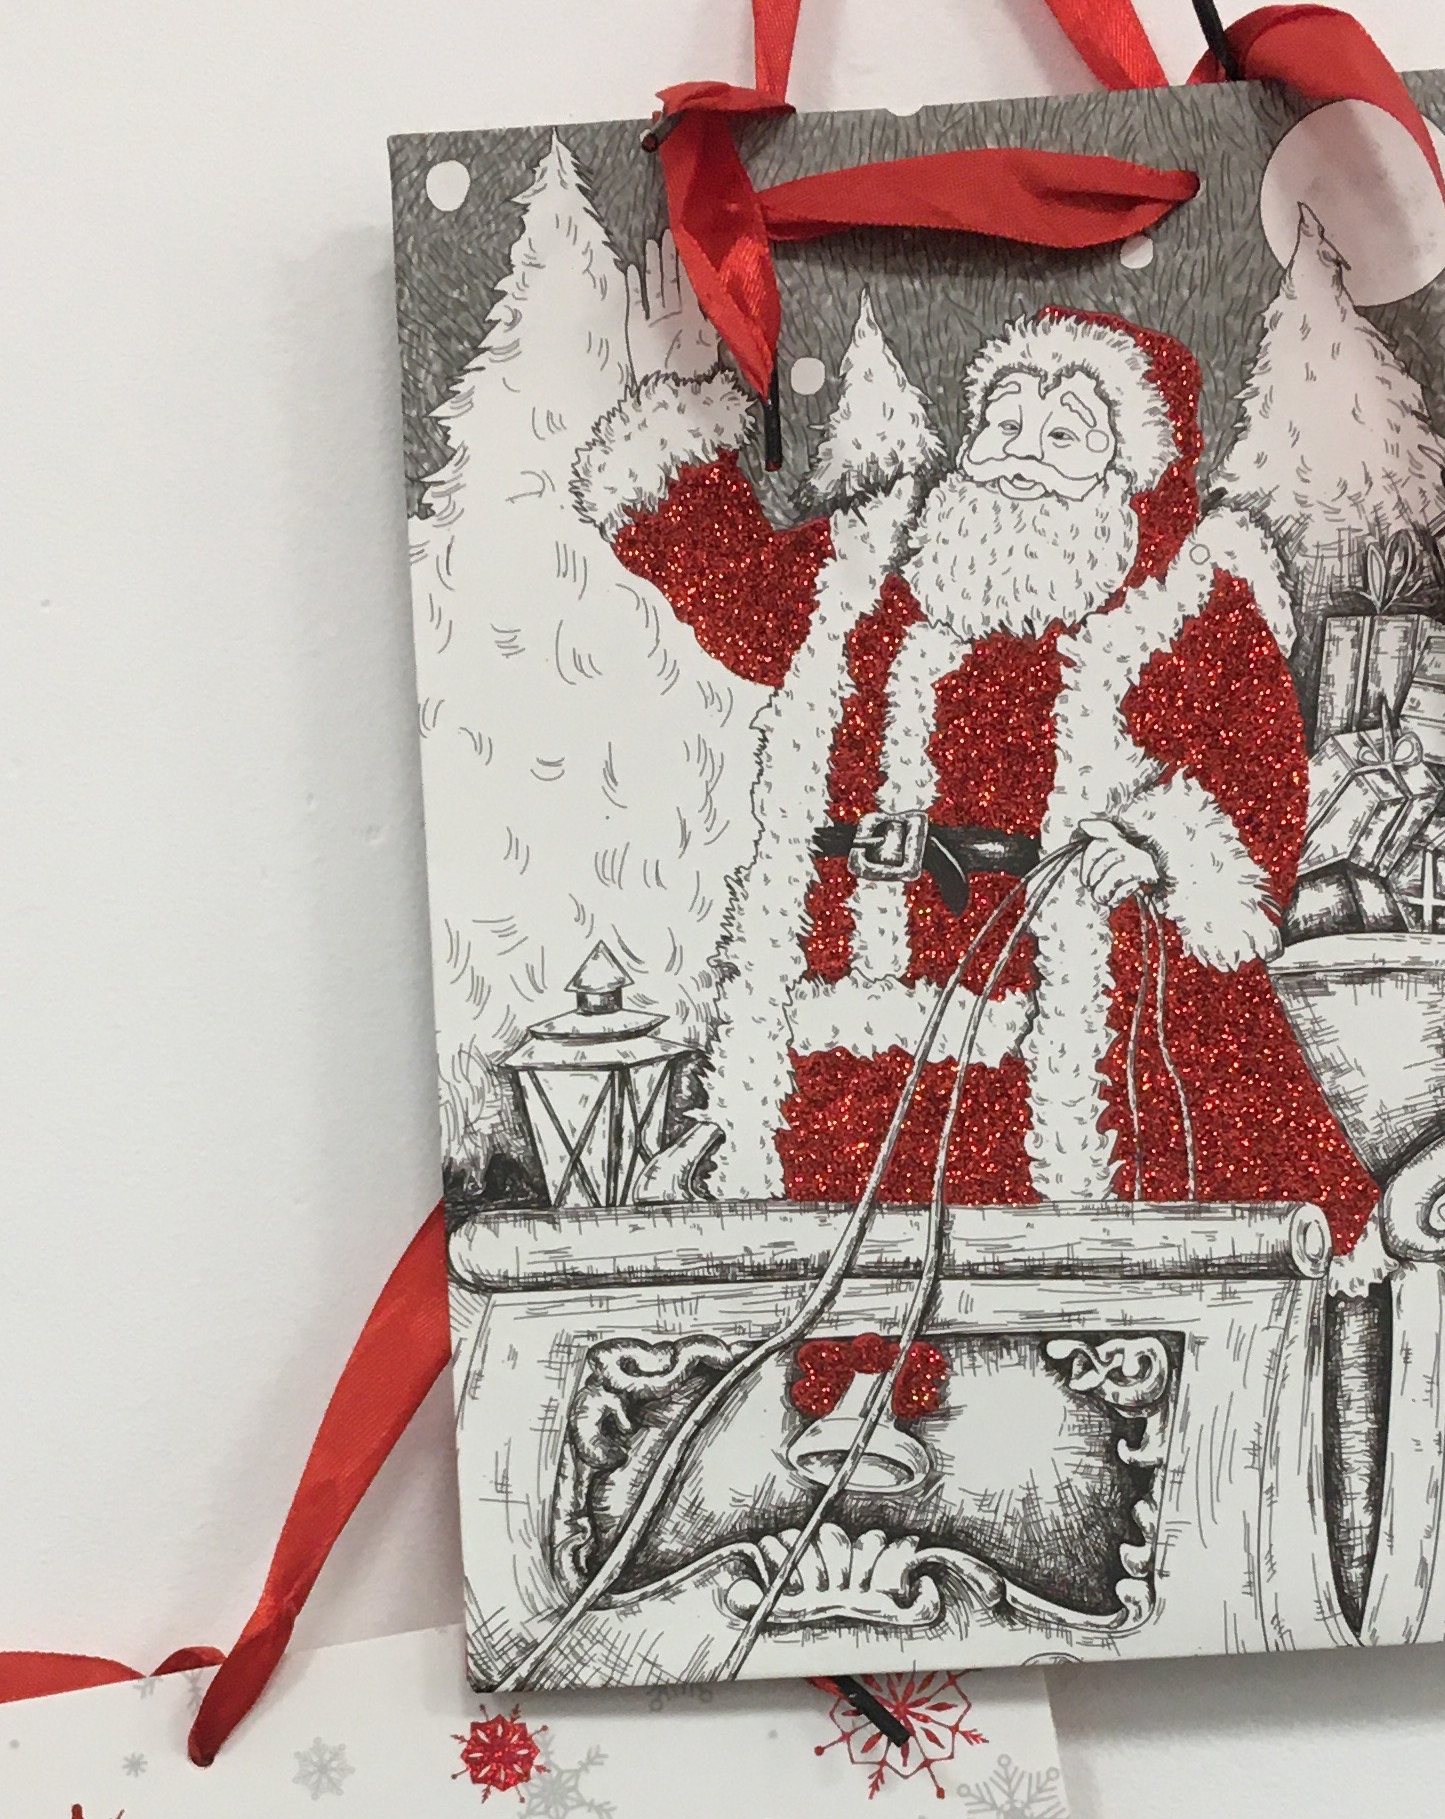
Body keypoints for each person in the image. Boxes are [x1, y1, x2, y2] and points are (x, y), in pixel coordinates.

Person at [571, 244, 1374, 1248]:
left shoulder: (1186, 602)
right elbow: (740, 600)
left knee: (1058, 1264)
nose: (1020, 452)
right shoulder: (873, 560)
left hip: (1070, 1014)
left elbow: (1255, 770)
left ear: (1132, 472)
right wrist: (675, 430)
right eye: (1004, 422)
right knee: (835, 1258)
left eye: (1065, 434)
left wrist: (1161, 844)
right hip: (835, 1028)